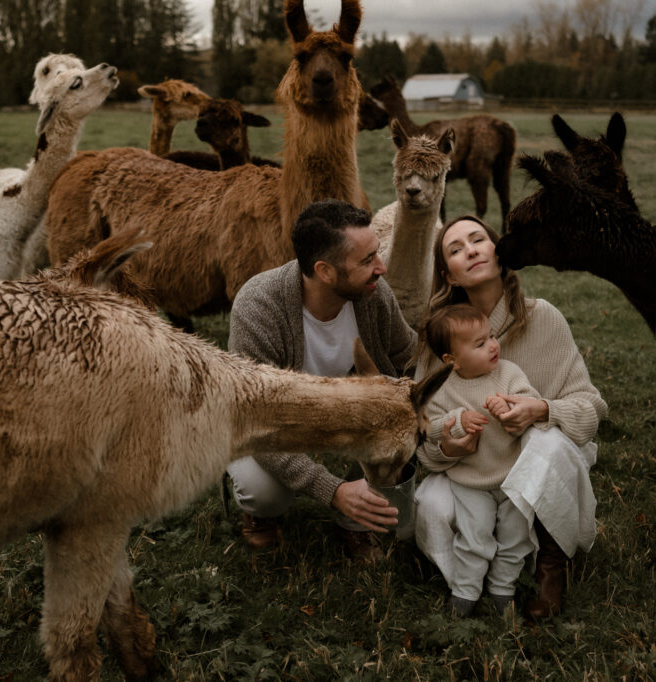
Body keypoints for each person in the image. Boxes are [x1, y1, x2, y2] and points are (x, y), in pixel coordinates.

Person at [413, 215, 608, 620]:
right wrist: (449, 444)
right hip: (476, 473)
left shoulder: (544, 318)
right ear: (449, 276)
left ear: (499, 254)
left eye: (478, 239)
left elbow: (591, 410)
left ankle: (550, 567)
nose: (469, 249)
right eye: (455, 248)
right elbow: (424, 439)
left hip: (542, 465)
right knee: (431, 503)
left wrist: (543, 409)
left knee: (546, 442)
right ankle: (468, 586)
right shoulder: (441, 340)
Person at [226, 199, 417, 562]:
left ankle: (356, 524)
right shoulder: (258, 307)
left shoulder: (373, 296)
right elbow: (256, 424)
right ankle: (260, 514)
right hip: (267, 423)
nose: (382, 268)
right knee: (264, 491)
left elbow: (409, 356)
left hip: (339, 414)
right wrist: (333, 490)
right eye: (367, 261)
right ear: (325, 271)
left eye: (376, 254)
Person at [419, 303, 550, 617]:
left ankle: (502, 590)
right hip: (471, 482)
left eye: (491, 336)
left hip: (513, 478)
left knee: (515, 538)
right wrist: (457, 419)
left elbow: (529, 400)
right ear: (451, 360)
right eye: (480, 344)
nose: (493, 346)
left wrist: (510, 407)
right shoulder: (442, 388)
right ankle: (465, 592)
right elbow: (430, 427)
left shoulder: (508, 373)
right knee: (474, 537)